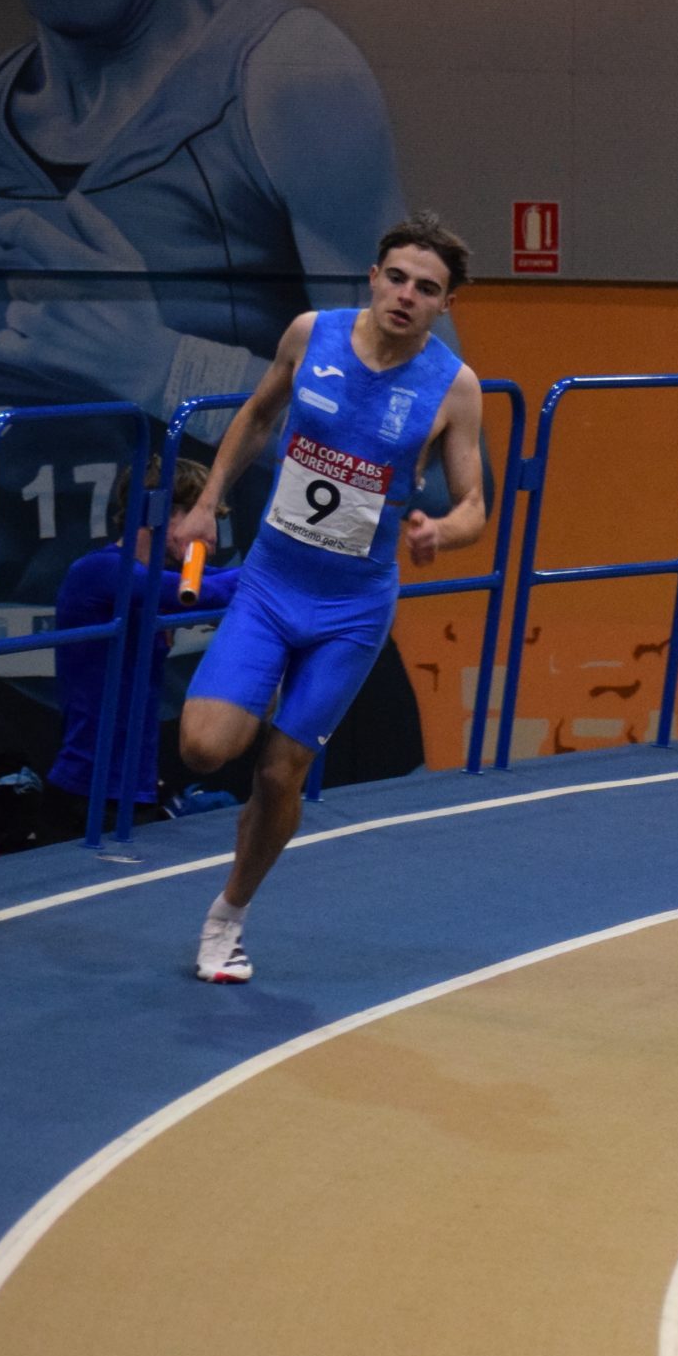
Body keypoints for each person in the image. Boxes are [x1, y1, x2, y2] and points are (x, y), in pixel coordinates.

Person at [0, 0, 496, 782]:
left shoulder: (289, 76)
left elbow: (420, 470)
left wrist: (157, 365)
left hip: (246, 671)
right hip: (13, 693)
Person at [168, 214, 487, 984]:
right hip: (270, 586)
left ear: (445, 304)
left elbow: (475, 505)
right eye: (397, 278)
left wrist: (440, 532)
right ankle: (255, 695)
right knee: (204, 747)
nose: (406, 296)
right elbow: (257, 415)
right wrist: (208, 501)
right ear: (373, 278)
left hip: (352, 609)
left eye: (427, 289)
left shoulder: (454, 386)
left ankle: (228, 917)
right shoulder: (312, 334)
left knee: (281, 775)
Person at [41, 456, 241, 844]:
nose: (212, 536)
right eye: (202, 516)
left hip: (136, 790)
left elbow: (224, 579)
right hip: (86, 796)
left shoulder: (157, 575)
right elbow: (215, 590)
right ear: (159, 513)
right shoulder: (98, 572)